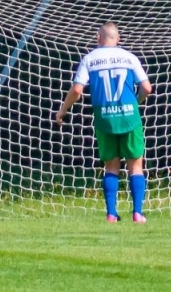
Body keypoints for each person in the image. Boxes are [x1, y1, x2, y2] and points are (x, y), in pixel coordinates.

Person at [56, 22, 154, 223]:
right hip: (129, 116)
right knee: (136, 165)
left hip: (104, 117)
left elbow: (77, 90)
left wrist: (63, 110)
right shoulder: (129, 57)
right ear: (118, 39)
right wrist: (136, 102)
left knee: (111, 167)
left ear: (98, 38)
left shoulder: (90, 59)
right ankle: (137, 213)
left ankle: (111, 213)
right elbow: (147, 88)